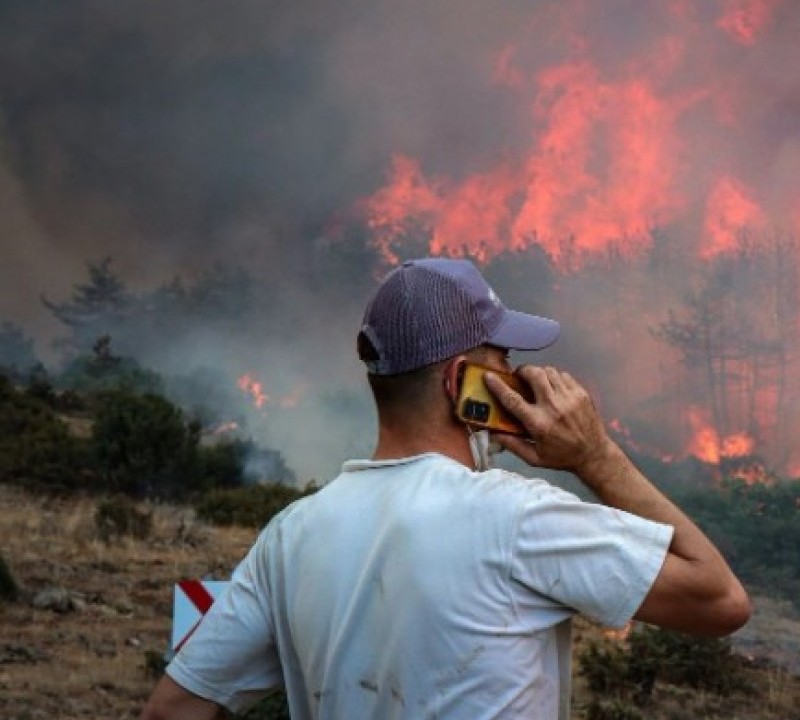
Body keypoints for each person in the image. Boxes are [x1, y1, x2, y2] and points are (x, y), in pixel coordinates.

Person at [141, 257, 752, 720]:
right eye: (503, 356)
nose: (514, 372)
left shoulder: (291, 534)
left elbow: (172, 709)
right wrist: (596, 457)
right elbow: (720, 599)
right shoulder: (515, 517)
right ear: (465, 382)